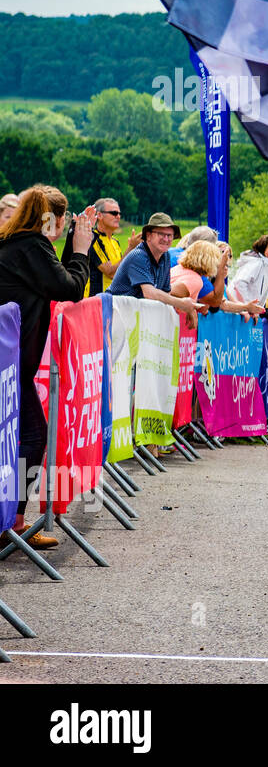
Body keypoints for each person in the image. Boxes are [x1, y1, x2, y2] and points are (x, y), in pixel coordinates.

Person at [0, 186, 95, 548]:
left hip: (11, 365)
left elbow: (56, 279)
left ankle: (14, 521)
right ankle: (12, 523)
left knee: (22, 438)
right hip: (12, 367)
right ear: (52, 219)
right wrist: (82, 250)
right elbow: (70, 287)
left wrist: (72, 245)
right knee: (33, 436)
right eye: (64, 219)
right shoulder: (31, 246)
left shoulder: (16, 243)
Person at [106, 212, 202, 321]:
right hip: (114, 315)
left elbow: (166, 293)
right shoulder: (139, 256)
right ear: (148, 235)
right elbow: (150, 293)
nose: (166, 239)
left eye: (169, 235)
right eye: (161, 234)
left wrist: (188, 308)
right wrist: (181, 303)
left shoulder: (165, 256)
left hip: (133, 318)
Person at [60, 197, 141, 297]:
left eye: (119, 213)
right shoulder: (92, 239)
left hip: (110, 300)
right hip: (93, 301)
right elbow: (110, 272)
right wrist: (131, 248)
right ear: (99, 215)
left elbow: (119, 272)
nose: (118, 217)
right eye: (114, 213)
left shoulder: (115, 242)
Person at [227, 233, 268, 306]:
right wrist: (249, 306)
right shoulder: (256, 262)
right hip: (237, 310)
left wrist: (257, 310)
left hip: (248, 312)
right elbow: (239, 283)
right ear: (263, 248)